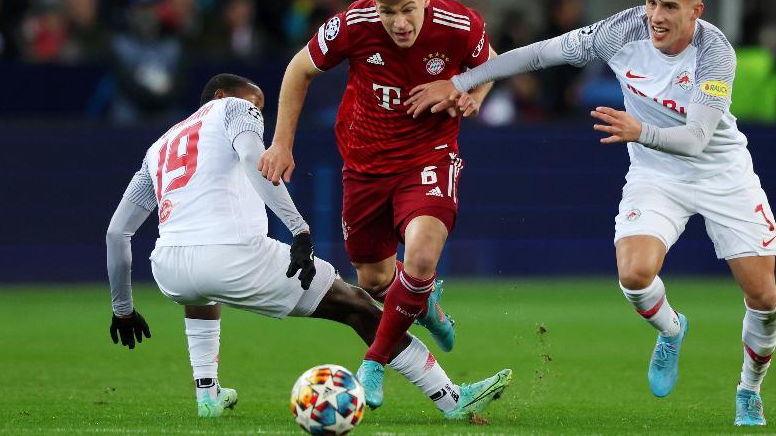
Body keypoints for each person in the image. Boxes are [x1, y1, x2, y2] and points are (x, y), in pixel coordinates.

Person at [407, 0, 776, 427]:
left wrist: (638, 131)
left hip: (722, 174)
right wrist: (460, 80)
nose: (656, 16)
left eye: (669, 6)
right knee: (634, 274)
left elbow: (696, 139)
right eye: (651, 2)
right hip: (655, 175)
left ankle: (748, 390)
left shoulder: (715, 53)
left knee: (762, 297)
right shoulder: (624, 29)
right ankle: (671, 331)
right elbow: (542, 53)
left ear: (696, 11)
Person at [105, 73, 511, 420]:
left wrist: (122, 308)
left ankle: (207, 395)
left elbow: (117, 234)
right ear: (222, 97)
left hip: (170, 268)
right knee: (356, 306)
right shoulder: (232, 110)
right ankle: (451, 398)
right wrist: (298, 228)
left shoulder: (158, 147)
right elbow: (255, 161)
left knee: (204, 289)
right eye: (257, 106)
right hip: (231, 257)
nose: (260, 115)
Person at [257, 0, 498, 408]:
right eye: (389, 12)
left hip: (430, 154)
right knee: (372, 280)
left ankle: (373, 362)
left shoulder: (458, 23)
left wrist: (473, 91)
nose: (400, 23)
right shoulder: (353, 24)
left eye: (408, 9)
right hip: (365, 163)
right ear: (373, 4)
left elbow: (492, 62)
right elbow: (298, 70)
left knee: (423, 256)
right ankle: (424, 301)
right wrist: (282, 144)